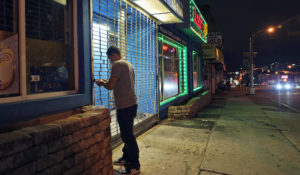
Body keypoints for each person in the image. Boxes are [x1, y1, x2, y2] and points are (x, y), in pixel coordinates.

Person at [96, 46, 140, 175]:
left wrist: (101, 83)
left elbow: (110, 86)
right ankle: (126, 158)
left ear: (114, 55)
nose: (109, 60)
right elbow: (119, 82)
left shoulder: (117, 65)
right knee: (127, 134)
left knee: (128, 136)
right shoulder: (128, 64)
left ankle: (135, 165)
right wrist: (107, 81)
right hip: (132, 103)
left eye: (110, 58)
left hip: (125, 105)